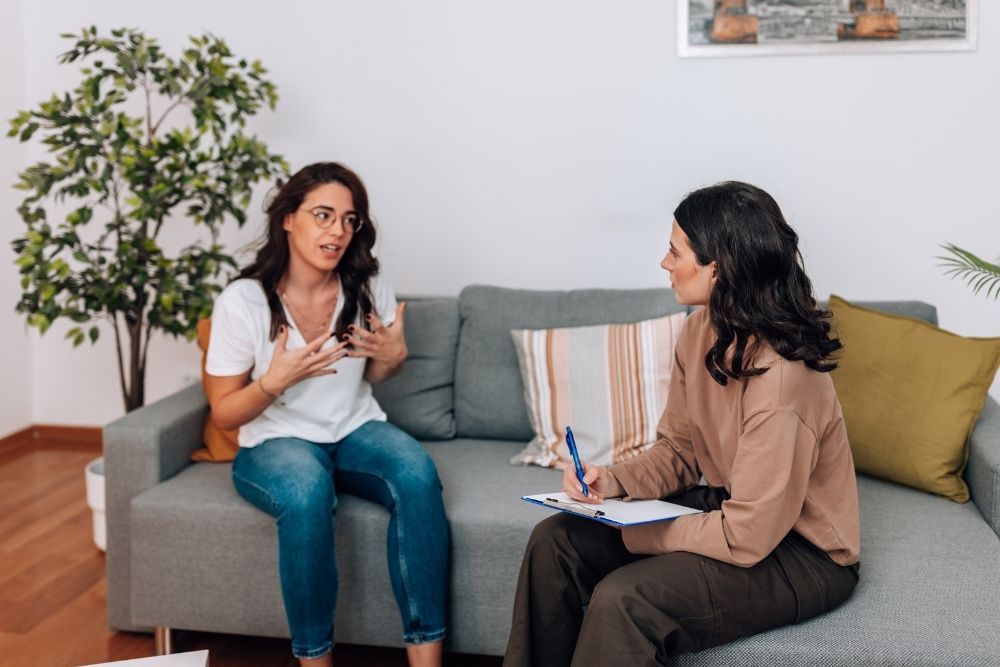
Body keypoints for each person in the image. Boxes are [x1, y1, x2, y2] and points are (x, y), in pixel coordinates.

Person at [503, 181, 860, 667]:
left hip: (802, 552)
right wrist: (614, 482)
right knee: (556, 541)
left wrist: (641, 533)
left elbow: (747, 536)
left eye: (675, 251)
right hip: (737, 508)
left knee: (624, 599)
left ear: (719, 269)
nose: (664, 263)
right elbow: (679, 449)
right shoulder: (700, 330)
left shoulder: (782, 380)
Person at [204, 162, 449, 667]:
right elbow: (225, 414)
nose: (337, 231)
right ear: (289, 218)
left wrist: (393, 357)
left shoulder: (366, 284)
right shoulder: (244, 301)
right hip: (275, 442)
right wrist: (274, 381)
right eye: (323, 215)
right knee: (307, 491)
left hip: (355, 428)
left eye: (348, 219)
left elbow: (375, 376)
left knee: (418, 474)